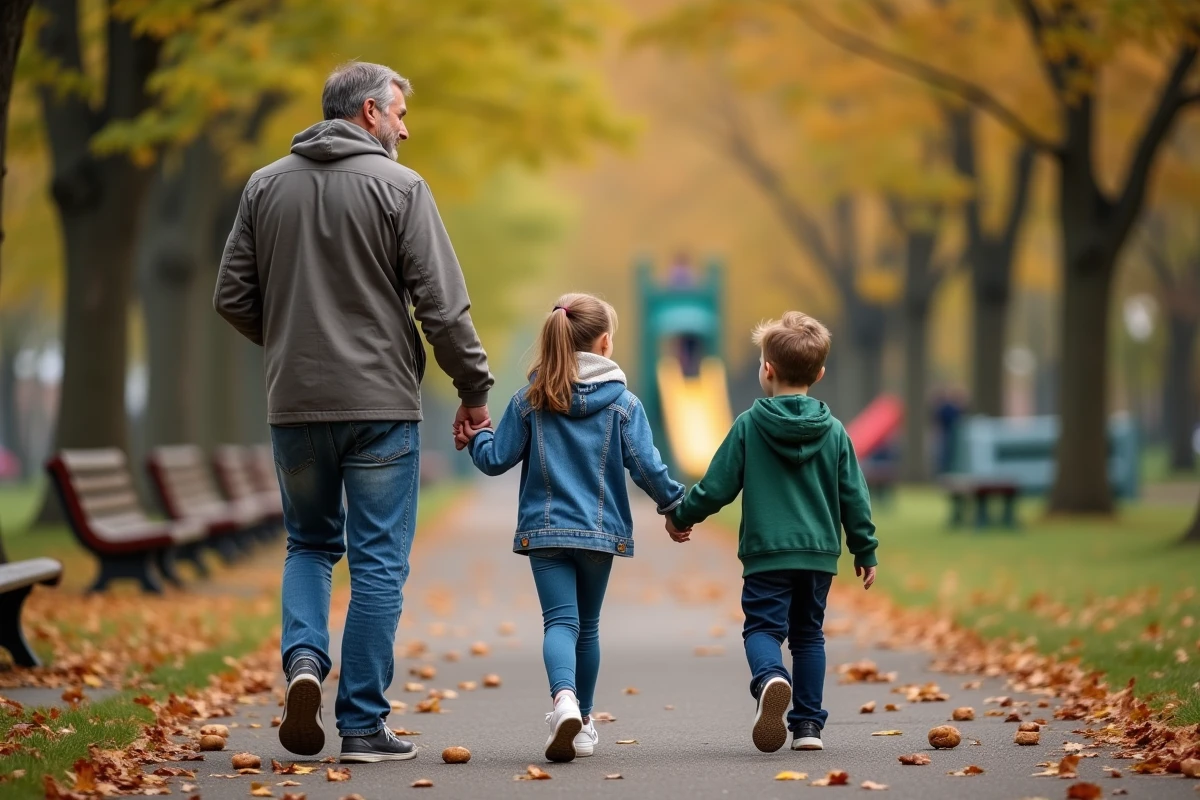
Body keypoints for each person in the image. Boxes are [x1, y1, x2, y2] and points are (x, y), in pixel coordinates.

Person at [214, 61, 493, 763]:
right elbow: (442, 305)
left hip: (296, 405)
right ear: (369, 112)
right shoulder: (401, 187)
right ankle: (363, 726)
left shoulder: (263, 185)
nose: (406, 126)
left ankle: (304, 662)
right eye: (399, 112)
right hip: (380, 407)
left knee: (308, 544)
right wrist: (473, 391)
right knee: (376, 565)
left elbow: (233, 296)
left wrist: (289, 345)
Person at [458, 293, 685, 763]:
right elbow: (646, 465)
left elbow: (495, 459)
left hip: (545, 533)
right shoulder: (624, 403)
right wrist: (674, 507)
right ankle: (582, 723)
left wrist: (477, 436)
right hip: (600, 534)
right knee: (589, 626)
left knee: (559, 622)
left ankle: (563, 701)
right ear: (604, 343)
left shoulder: (530, 400)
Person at [665, 311, 879, 754]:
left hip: (767, 554)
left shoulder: (749, 424)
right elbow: (854, 497)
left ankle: (769, 678)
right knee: (809, 636)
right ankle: (807, 729)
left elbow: (717, 486)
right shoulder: (835, 432)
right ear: (819, 374)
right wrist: (865, 549)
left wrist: (683, 515)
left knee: (763, 629)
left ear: (767, 369)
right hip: (818, 556)